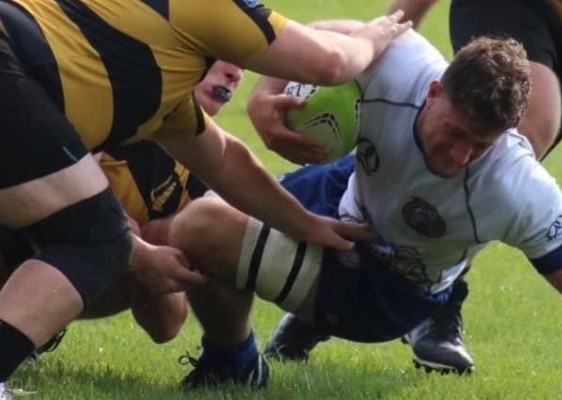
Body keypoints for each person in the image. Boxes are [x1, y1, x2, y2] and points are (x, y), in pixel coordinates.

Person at [168, 30, 562, 399]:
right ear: (433, 92)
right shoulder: (400, 64)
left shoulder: (515, 187)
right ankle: (235, 357)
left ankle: (232, 361)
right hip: (343, 189)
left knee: (198, 227)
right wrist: (263, 97)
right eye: (455, 133)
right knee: (185, 222)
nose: (459, 156)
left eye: (481, 145)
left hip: (387, 284)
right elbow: (322, 36)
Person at [0, 0, 411, 395]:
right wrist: (372, 36)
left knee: (94, 234)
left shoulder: (161, 85)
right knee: (96, 237)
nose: (237, 69)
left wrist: (305, 224)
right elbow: (331, 62)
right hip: (11, 64)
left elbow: (223, 160)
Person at [0, 61, 244, 359]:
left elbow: (166, 326)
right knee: (109, 232)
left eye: (241, 63)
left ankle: (27, 326)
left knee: (146, 239)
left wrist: (158, 258)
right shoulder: (98, 109)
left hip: (44, 263)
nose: (235, 74)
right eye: (220, 56)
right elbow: (79, 216)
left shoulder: (199, 163)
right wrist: (141, 253)